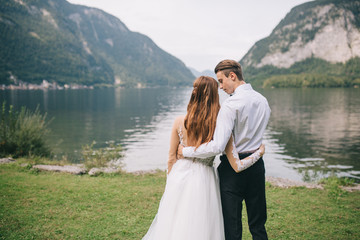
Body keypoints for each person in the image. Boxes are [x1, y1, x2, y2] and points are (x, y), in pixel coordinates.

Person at [142, 76, 265, 240]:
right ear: (214, 96)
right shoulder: (219, 124)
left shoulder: (179, 122)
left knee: (176, 221)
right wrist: (259, 152)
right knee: (203, 221)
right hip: (205, 177)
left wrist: (170, 180)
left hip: (179, 175)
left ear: (194, 94)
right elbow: (234, 160)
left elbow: (171, 158)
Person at [179, 60, 271, 240]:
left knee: (232, 225)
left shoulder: (230, 106)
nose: (220, 87)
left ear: (233, 76)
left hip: (232, 171)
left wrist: (186, 151)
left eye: (221, 81)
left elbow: (217, 146)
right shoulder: (263, 101)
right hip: (256, 166)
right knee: (258, 223)